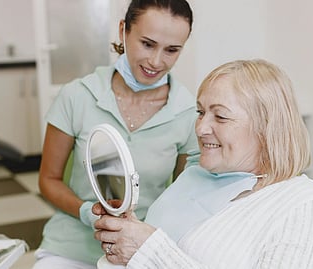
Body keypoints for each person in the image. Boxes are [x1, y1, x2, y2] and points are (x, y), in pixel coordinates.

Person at [93, 59, 313, 268]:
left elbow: (156, 250)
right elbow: (162, 240)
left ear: (267, 128)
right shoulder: (198, 174)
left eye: (220, 116)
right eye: (200, 112)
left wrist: (149, 250)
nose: (200, 128)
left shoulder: (299, 204)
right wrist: (129, 233)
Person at [33, 0, 197, 268]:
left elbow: (181, 196)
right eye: (147, 43)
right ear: (124, 31)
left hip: (139, 250)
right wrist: (86, 212)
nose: (156, 61)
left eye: (172, 50)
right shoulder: (77, 95)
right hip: (71, 245)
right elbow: (49, 180)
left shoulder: (188, 113)